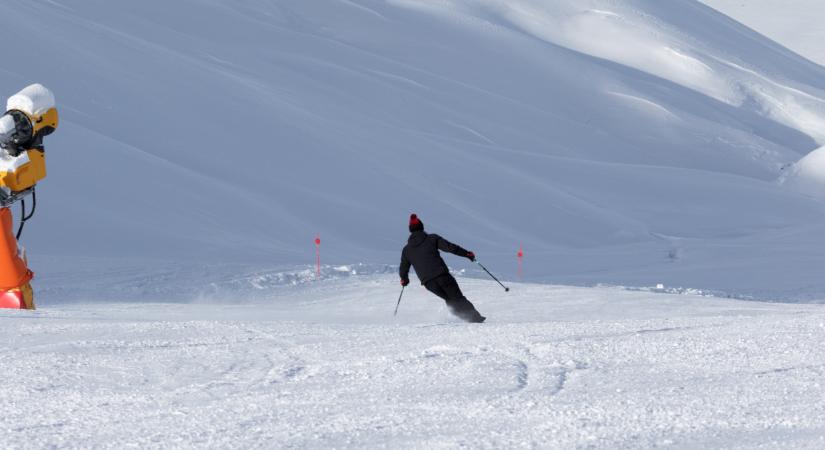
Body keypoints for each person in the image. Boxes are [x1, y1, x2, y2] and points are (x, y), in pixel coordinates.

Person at [399, 214, 486, 323]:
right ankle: (476, 320)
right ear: (422, 227)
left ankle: (465, 318)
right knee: (457, 298)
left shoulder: (406, 250)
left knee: (449, 299)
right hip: (442, 276)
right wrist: (467, 254)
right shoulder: (432, 238)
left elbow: (403, 267)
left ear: (410, 230)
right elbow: (450, 248)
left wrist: (404, 279)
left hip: (429, 283)